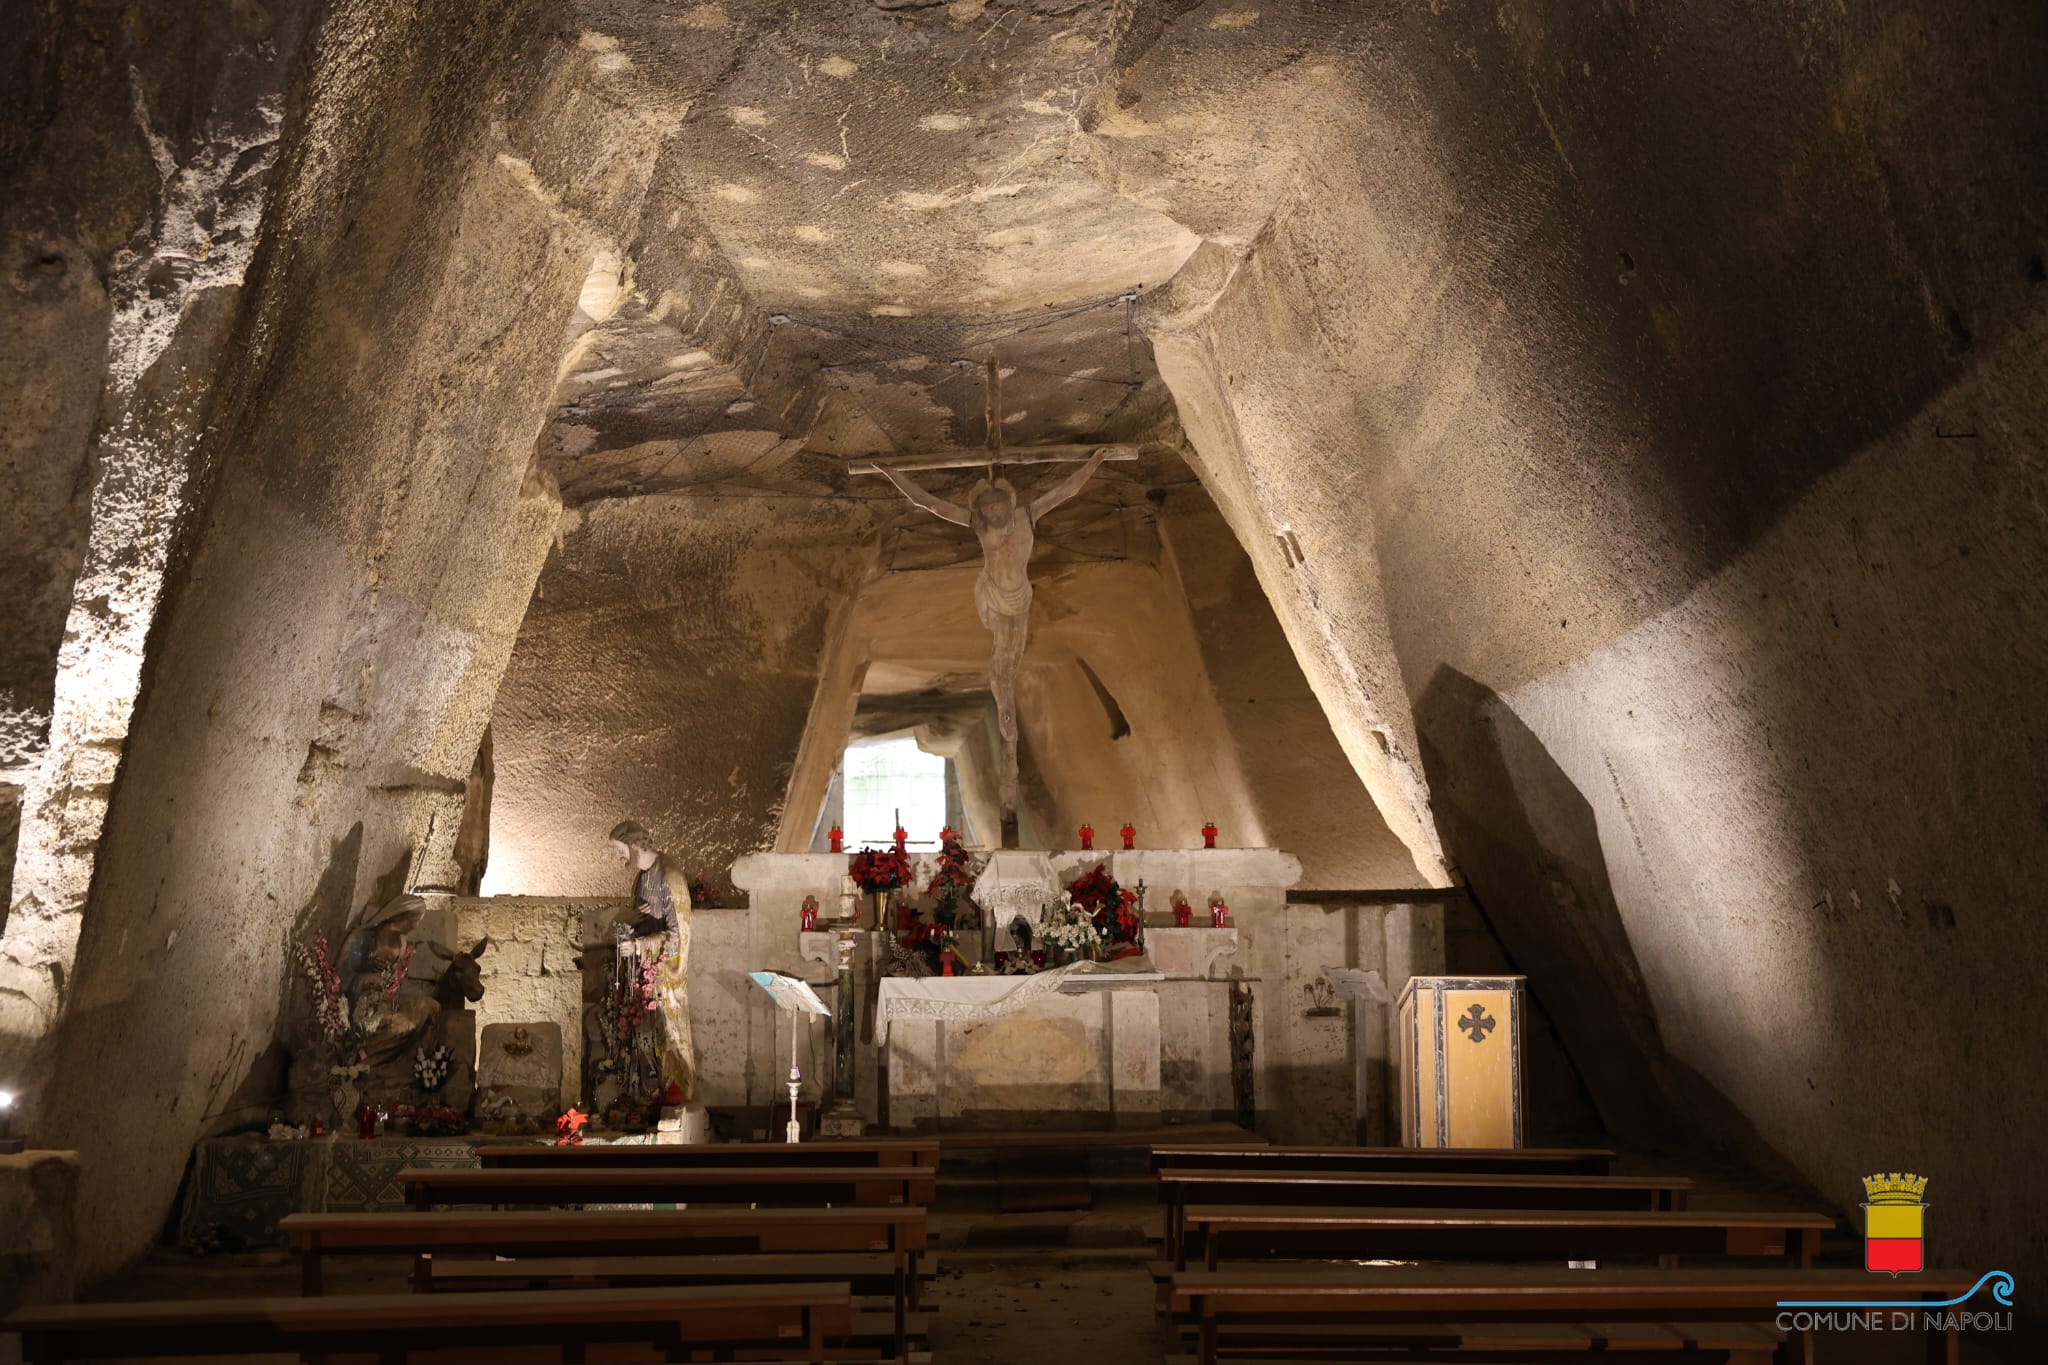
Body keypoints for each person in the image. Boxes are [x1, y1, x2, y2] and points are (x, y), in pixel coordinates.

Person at [879, 449, 1110, 743]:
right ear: (982, 512)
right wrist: (890, 473)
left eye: (997, 507)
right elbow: (928, 503)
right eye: (987, 510)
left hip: (1021, 597)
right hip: (995, 596)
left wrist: (1095, 462)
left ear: (1008, 504)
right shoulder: (979, 525)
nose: (993, 513)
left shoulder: (1027, 516)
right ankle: (1004, 706)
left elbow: (1067, 491)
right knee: (1002, 654)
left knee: (1015, 653)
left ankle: (1006, 703)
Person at [607, 819, 697, 1106]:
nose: (618, 856)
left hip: (664, 978)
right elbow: (640, 919)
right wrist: (631, 926)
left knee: (666, 1041)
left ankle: (674, 1092)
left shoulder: (669, 874)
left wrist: (640, 944)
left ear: (634, 844)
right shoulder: (641, 878)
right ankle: (644, 1096)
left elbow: (678, 937)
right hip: (641, 976)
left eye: (620, 849)